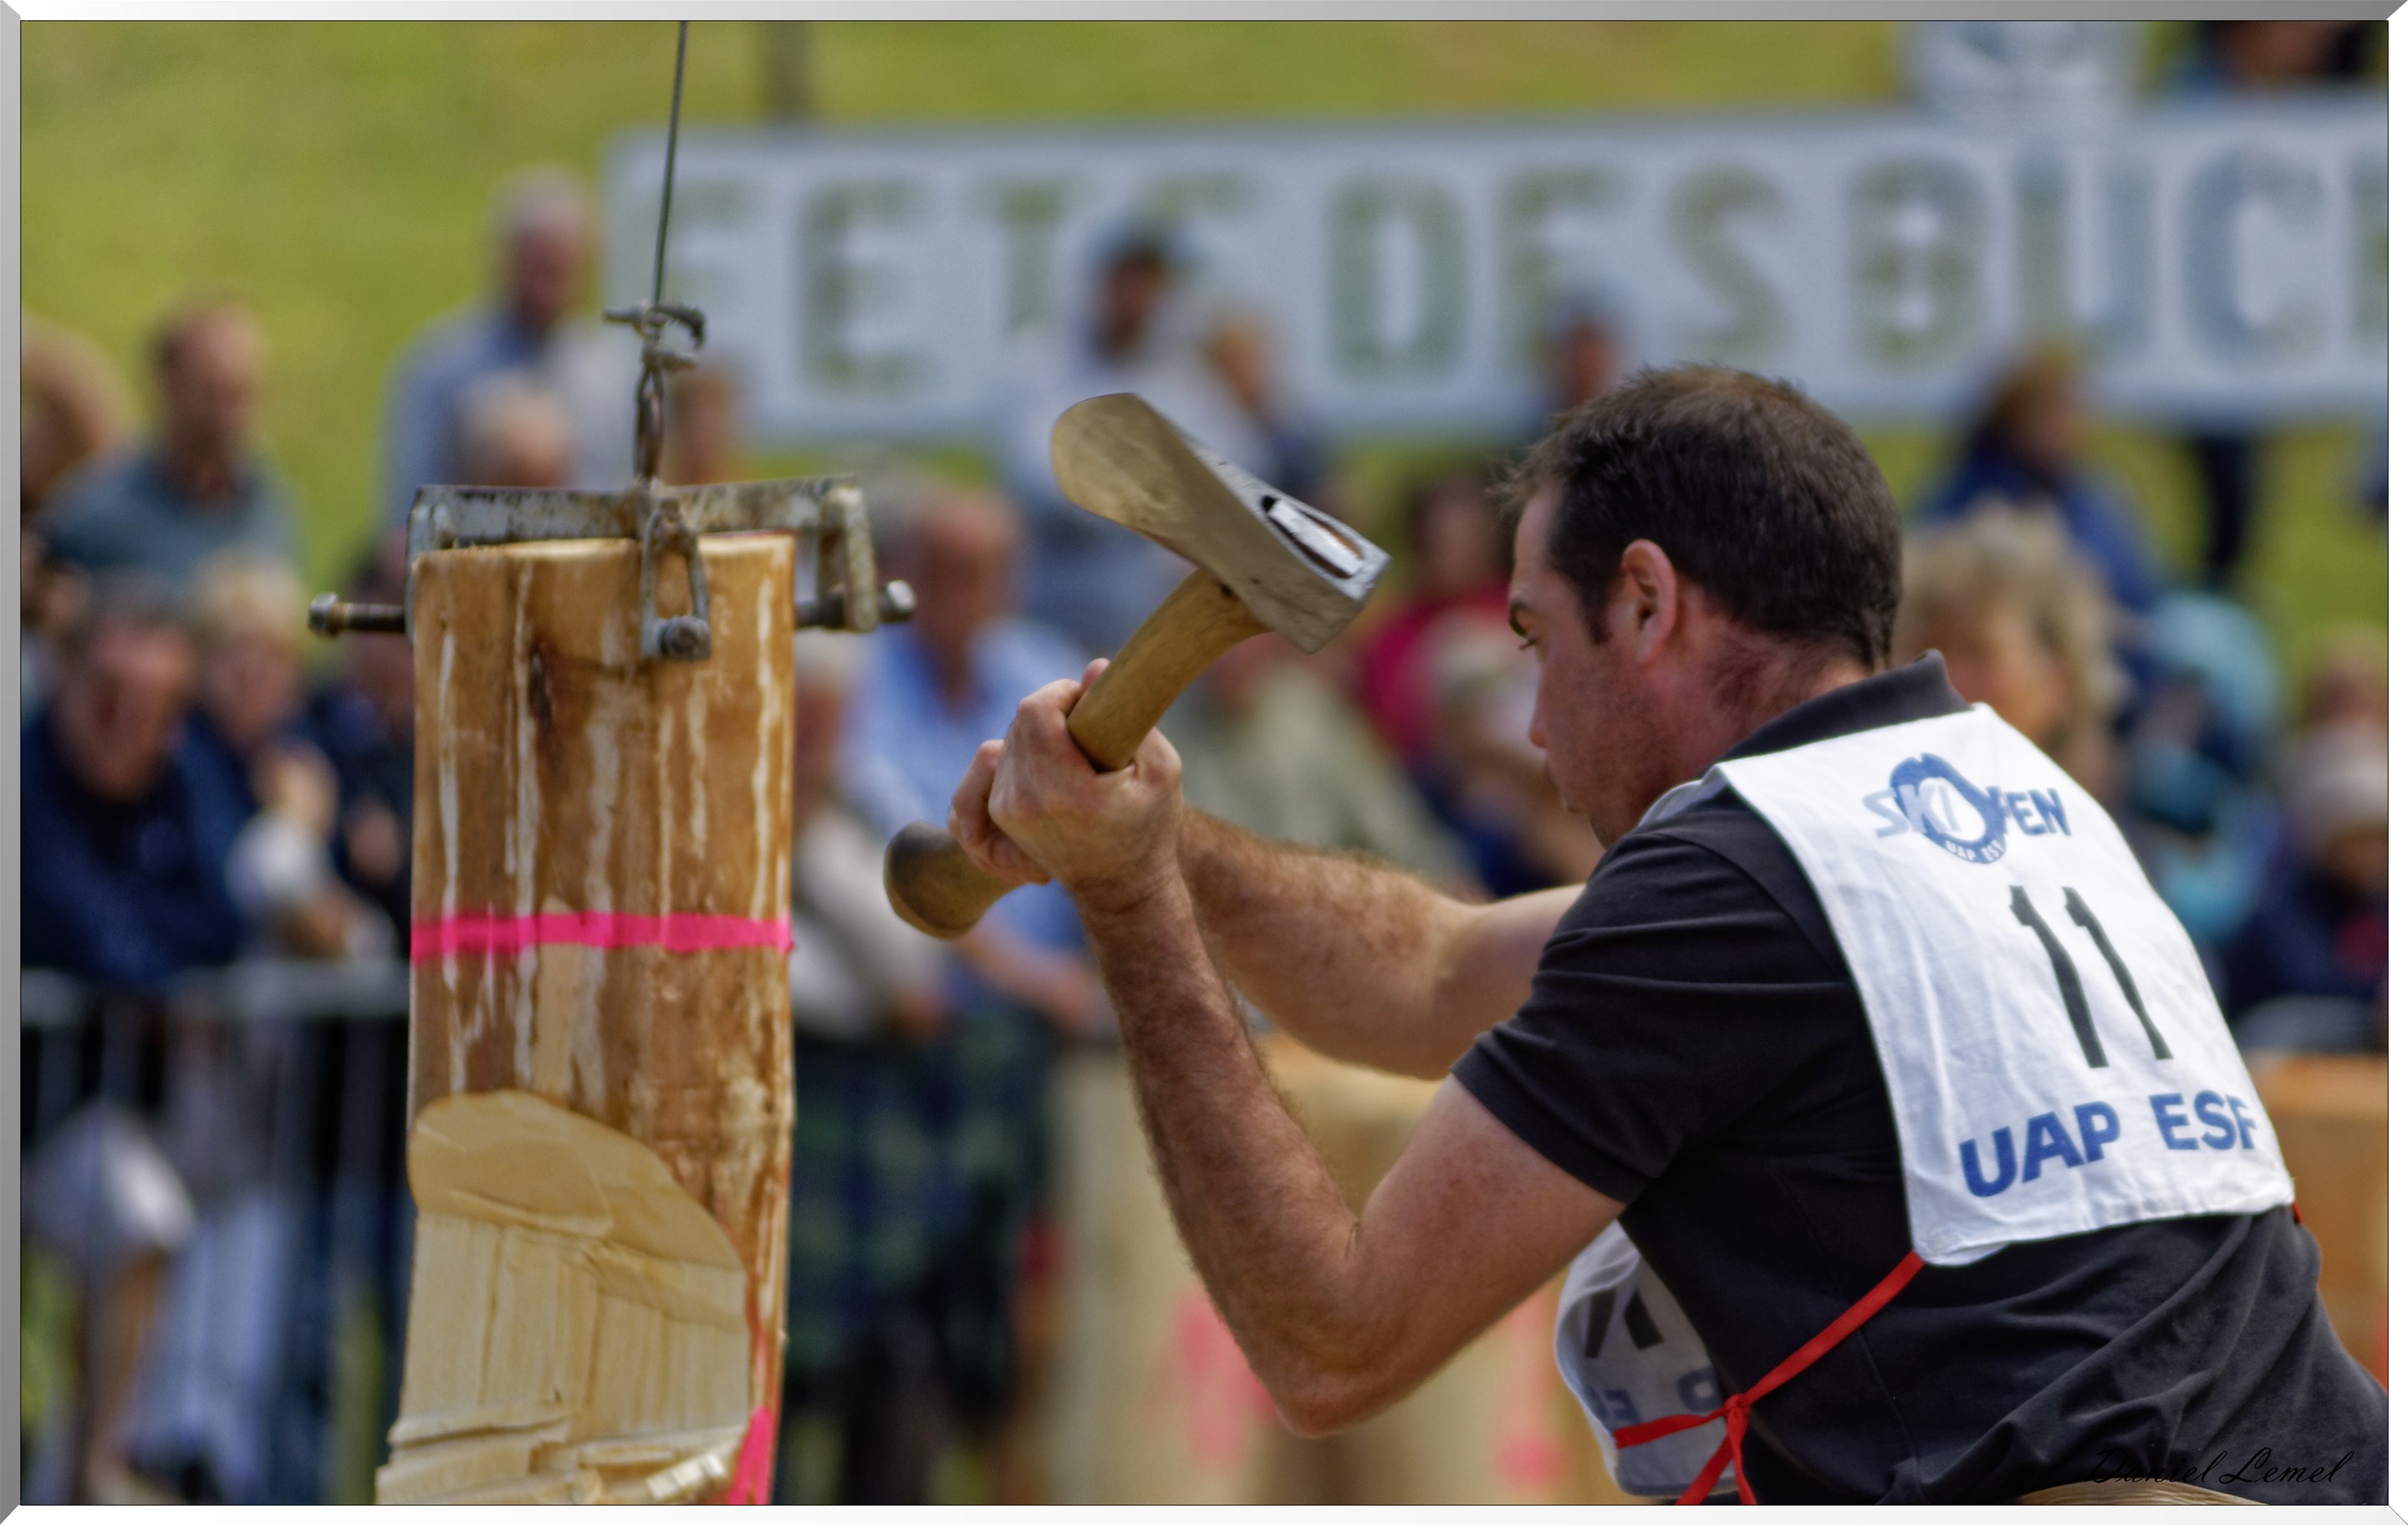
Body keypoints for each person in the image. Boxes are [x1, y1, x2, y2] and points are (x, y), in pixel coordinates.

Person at [946, 365, 2384, 1503]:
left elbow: (1334, 1341)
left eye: (1536, 638)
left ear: (1644, 600)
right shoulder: (1988, 791)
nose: (1532, 722)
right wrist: (1147, 833)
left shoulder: (1725, 890)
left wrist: (1130, 901)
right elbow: (1430, 970)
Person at [992, 229, 1271, 656]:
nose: (1136, 294)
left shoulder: (1183, 374)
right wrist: (1155, 496)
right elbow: (1042, 475)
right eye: (1127, 279)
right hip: (1054, 592)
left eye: (1149, 281)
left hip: (1151, 605)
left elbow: (1237, 467)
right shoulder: (1042, 363)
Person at [22, 579, 247, 987]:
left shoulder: (187, 775)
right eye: (108, 698)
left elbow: (227, 927)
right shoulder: (24, 784)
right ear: (63, 678)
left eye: (155, 708)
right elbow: (105, 948)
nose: (127, 724)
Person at [380, 167, 635, 525]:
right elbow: (408, 516)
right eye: (539, 267)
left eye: (560, 269)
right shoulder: (439, 371)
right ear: (505, 258)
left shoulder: (614, 377)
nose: (548, 288)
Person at [38, 303, 296, 589]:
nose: (229, 418)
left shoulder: (268, 505)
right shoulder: (94, 514)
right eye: (211, 394)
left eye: (241, 395)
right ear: (169, 386)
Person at [1894, 507, 2126, 803]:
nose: (1946, 676)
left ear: (2060, 681)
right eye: (1925, 650)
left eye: (1979, 655)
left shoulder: (2095, 827)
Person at [1922, 349, 2161, 618]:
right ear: (2013, 418)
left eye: (2071, 411)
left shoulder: (2093, 499)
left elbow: (2139, 593)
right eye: (2049, 413)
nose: (2064, 425)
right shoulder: (1966, 497)